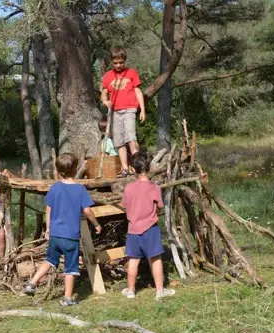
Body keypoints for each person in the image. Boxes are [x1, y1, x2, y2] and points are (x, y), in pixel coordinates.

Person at [23, 153, 102, 306]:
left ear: (57, 170)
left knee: (50, 260)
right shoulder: (79, 189)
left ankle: (32, 283)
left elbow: (48, 208)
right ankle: (67, 298)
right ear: (76, 169)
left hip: (55, 234)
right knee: (71, 267)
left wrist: (48, 228)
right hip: (70, 236)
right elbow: (87, 211)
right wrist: (96, 224)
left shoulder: (55, 187)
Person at [120, 151, 175, 300]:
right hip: (150, 229)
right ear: (149, 168)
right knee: (155, 259)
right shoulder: (154, 187)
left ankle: (130, 290)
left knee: (133, 260)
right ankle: (160, 290)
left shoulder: (129, 188)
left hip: (133, 229)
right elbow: (160, 206)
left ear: (133, 168)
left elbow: (124, 205)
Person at [101, 46, 146, 178]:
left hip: (130, 109)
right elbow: (104, 94)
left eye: (121, 62)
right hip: (115, 111)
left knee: (131, 138)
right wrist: (105, 102)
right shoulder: (108, 76)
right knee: (119, 141)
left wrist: (142, 109)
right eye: (115, 63)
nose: (118, 65)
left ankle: (138, 166)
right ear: (111, 62)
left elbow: (138, 91)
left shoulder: (132, 73)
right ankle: (125, 168)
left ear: (124, 60)